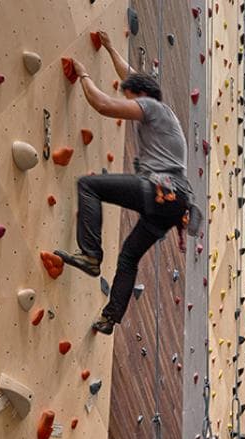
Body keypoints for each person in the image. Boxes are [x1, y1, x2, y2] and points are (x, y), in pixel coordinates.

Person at [54, 31, 199, 335]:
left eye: (130, 94)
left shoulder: (152, 108)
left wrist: (84, 75)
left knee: (89, 186)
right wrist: (108, 47)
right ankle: (110, 318)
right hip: (172, 205)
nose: (127, 97)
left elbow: (105, 105)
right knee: (129, 256)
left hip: (164, 189)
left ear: (141, 96)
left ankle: (91, 254)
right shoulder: (161, 111)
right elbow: (129, 76)